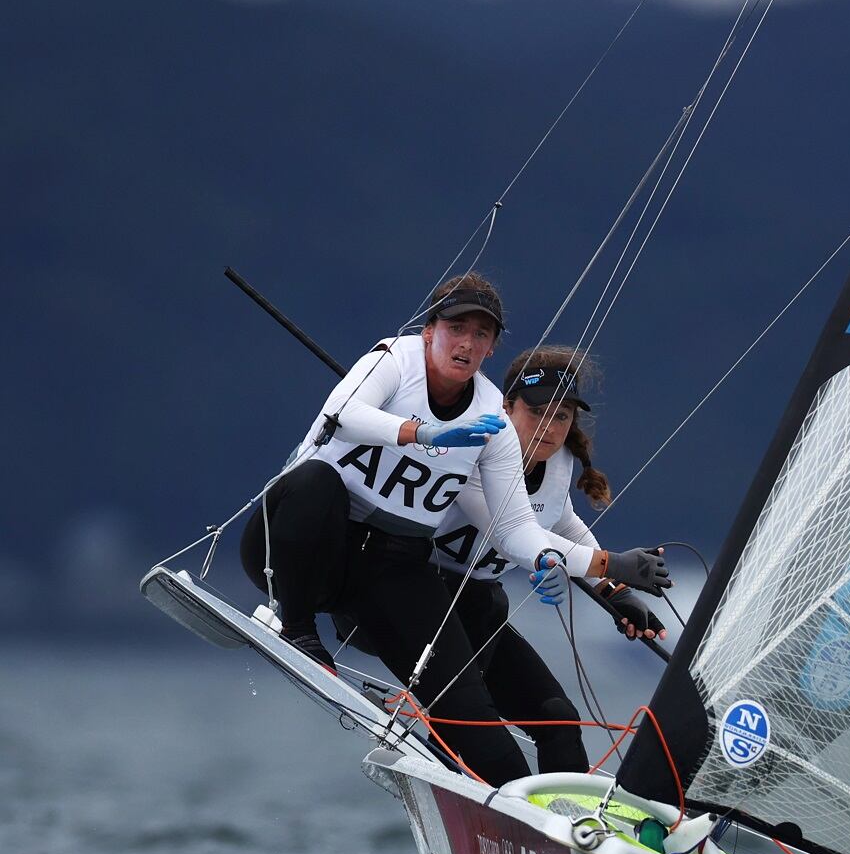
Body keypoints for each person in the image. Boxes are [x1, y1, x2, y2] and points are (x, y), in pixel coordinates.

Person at [239, 272, 669, 785]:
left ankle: (544, 826)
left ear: (491, 348)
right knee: (317, 482)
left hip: (392, 571)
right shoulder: (392, 361)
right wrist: (423, 432)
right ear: (429, 330)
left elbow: (518, 531)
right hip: (294, 548)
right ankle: (299, 627)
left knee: (500, 747)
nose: (467, 342)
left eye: (481, 334)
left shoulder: (491, 424)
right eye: (456, 327)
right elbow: (341, 412)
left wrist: (610, 577)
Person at [430, 344, 668, 775]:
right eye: (536, 413)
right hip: (422, 595)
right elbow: (512, 534)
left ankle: (574, 834)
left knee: (559, 719)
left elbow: (565, 525)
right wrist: (610, 563)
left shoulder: (558, 463)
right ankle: (452, 753)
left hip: (477, 609)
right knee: (478, 713)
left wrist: (615, 594)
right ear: (506, 407)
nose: (549, 428)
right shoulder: (475, 448)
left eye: (561, 416)